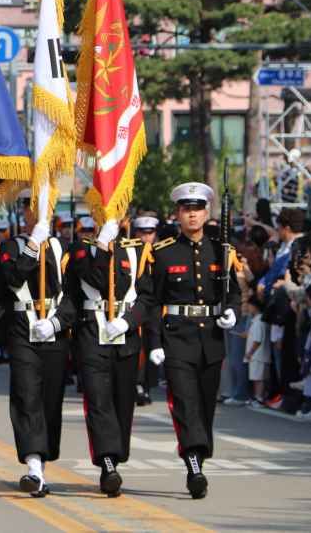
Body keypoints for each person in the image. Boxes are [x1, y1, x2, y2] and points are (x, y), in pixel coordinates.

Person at [123, 182, 240, 500]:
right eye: (187, 210)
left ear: (207, 213)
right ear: (177, 214)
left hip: (211, 339)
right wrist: (155, 342)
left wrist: (231, 311)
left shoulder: (222, 250)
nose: (192, 215)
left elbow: (234, 294)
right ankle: (193, 465)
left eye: (198, 209)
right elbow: (150, 301)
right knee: (185, 403)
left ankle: (198, 457)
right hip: (177, 338)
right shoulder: (163, 254)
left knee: (204, 406)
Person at [0, 190, 75, 498]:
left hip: (54, 330)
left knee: (50, 401)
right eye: (32, 207)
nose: (38, 212)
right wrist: (32, 245)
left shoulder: (65, 248)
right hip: (23, 330)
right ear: (24, 211)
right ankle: (34, 465)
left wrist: (56, 322)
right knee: (27, 396)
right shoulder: (10, 247)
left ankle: (44, 458)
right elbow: (13, 278)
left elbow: (75, 294)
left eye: (44, 207)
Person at [64, 214, 148, 497]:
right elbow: (97, 279)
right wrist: (102, 244)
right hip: (92, 333)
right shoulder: (80, 249)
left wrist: (129, 321)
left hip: (124, 333)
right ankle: (108, 462)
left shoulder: (138, 251)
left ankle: (116, 454)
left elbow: (147, 296)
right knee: (98, 400)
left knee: (123, 402)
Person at [132, 215, 159, 407]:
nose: (146, 236)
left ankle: (148, 384)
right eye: (142, 232)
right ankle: (137, 384)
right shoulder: (130, 251)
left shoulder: (161, 252)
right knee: (138, 346)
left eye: (150, 233)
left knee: (152, 346)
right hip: (136, 304)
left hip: (155, 307)